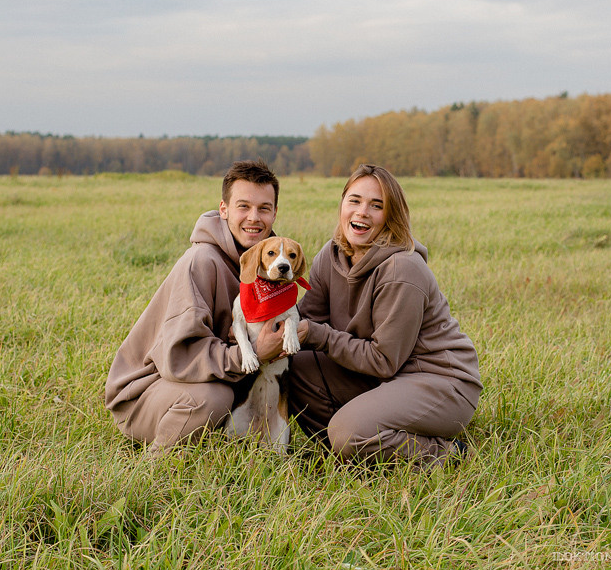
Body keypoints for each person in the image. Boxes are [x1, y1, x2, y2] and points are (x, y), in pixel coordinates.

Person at [289, 164, 482, 465]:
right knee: (294, 364)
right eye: (354, 200)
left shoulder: (402, 270)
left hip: (437, 381)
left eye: (376, 206)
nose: (362, 212)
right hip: (382, 378)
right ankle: (348, 452)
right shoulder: (330, 255)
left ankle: (444, 454)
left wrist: (317, 334)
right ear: (341, 204)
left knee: (349, 432)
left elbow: (383, 361)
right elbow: (306, 320)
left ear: (391, 217)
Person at [105, 160, 288, 451]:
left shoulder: (272, 266)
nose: (254, 218)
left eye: (264, 208)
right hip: (146, 393)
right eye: (243, 206)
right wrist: (251, 352)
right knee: (212, 399)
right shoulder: (200, 262)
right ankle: (154, 467)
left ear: (275, 213)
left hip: (205, 377)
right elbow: (181, 358)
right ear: (224, 209)